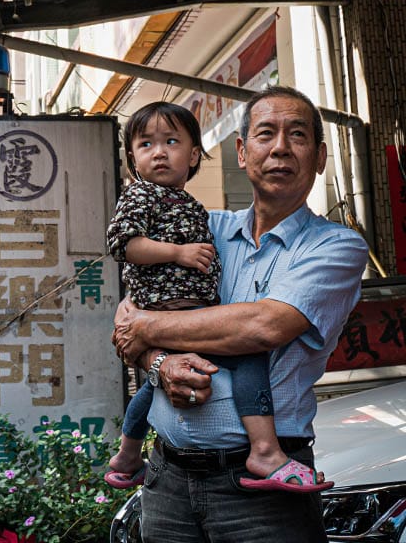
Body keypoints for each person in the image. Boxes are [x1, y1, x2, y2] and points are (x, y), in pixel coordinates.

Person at [112, 86, 368, 543]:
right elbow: (130, 310)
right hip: (166, 480)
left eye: (297, 135)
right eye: (265, 133)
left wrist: (145, 327)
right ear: (242, 152)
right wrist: (160, 362)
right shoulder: (204, 228)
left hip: (261, 497)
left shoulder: (337, 247)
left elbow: (263, 327)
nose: (280, 148)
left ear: (320, 157)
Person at [102, 101, 319, 493]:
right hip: (170, 308)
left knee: (154, 384)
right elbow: (123, 248)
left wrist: (146, 335)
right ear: (132, 158)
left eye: (171, 142)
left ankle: (127, 456)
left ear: (194, 156)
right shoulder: (145, 197)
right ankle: (264, 450)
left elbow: (264, 327)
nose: (159, 153)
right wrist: (177, 255)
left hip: (179, 310)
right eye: (146, 144)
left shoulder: (195, 209)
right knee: (243, 361)